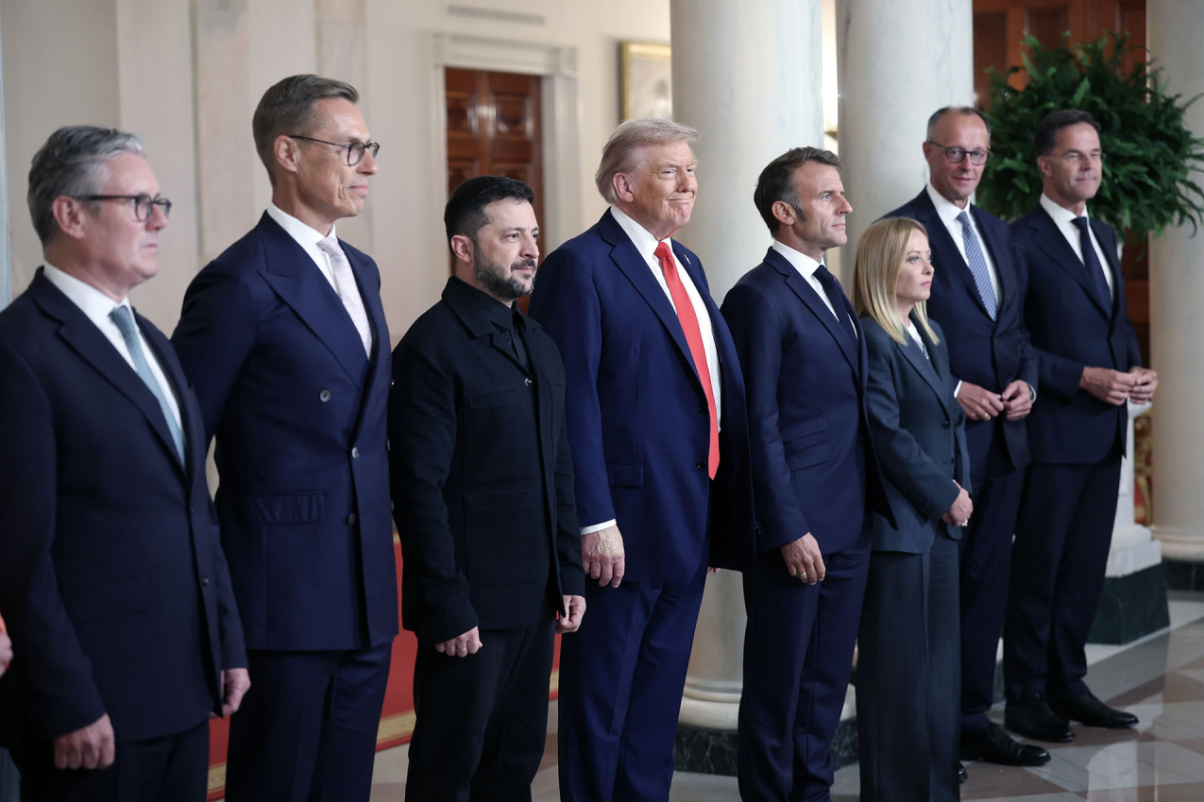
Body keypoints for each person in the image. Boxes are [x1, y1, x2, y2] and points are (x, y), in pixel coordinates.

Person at [0, 125, 248, 801]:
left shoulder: (154, 344)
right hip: (94, 705)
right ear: (70, 213)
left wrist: (224, 640)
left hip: (181, 685)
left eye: (160, 202)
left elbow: (192, 505)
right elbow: (21, 557)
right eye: (139, 203)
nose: (159, 219)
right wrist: (67, 699)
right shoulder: (19, 352)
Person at [172, 75, 396, 801]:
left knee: (344, 787)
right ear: (288, 153)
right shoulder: (237, 282)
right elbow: (177, 448)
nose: (368, 163)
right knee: (278, 785)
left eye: (370, 147)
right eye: (351, 147)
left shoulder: (361, 270)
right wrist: (208, 592)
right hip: (283, 590)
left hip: (364, 584)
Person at [528, 119, 755, 802]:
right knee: (602, 699)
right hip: (619, 525)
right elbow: (572, 404)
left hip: (689, 515)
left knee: (657, 701)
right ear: (623, 186)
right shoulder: (580, 264)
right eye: (670, 171)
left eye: (690, 170)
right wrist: (593, 518)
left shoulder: (685, 263)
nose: (689, 183)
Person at [390, 175, 586, 801]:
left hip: (534, 598)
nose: (531, 248)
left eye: (533, 233)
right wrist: (446, 604)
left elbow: (559, 468)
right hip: (469, 608)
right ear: (464, 247)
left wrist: (570, 575)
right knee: (451, 769)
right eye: (511, 236)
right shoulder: (431, 347)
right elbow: (418, 489)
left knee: (515, 763)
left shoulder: (539, 343)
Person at [721, 147, 892, 802]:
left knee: (824, 688)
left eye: (842, 194)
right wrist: (788, 528)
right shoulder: (756, 298)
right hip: (795, 530)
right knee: (776, 689)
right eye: (829, 196)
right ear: (785, 212)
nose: (846, 206)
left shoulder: (828, 285)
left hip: (849, 519)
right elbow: (754, 426)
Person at [883, 106, 1047, 770]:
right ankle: (928, 733)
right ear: (928, 152)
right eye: (955, 153)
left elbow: (1018, 333)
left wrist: (1029, 381)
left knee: (986, 588)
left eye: (977, 154)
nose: (967, 166)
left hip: (1006, 442)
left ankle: (972, 716)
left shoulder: (999, 233)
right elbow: (885, 333)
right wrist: (951, 390)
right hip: (941, 449)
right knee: (936, 596)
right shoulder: (899, 231)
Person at [1005, 109, 1156, 741]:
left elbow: (1114, 323)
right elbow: (1013, 344)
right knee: (1039, 570)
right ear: (1045, 165)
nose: (1089, 165)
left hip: (1104, 433)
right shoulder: (1016, 240)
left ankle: (1070, 683)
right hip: (1052, 431)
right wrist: (1084, 377)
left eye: (1094, 154)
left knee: (1084, 570)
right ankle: (1025, 696)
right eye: (1075, 155)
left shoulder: (1106, 233)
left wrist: (1135, 369)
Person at [851, 217, 972, 801]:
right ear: (883, 268)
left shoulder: (932, 332)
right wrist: (946, 494)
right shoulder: (873, 337)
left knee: (939, 675)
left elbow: (950, 425)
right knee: (899, 677)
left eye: (928, 258)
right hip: (900, 530)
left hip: (941, 528)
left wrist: (960, 491)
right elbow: (886, 433)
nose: (929, 268)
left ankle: (936, 789)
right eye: (914, 259)